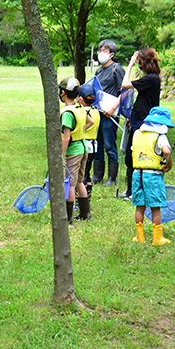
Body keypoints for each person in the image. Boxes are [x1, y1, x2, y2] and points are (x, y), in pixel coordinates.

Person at [120, 47, 162, 200]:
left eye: (139, 62)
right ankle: (130, 189)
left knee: (136, 156)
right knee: (130, 157)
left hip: (144, 123)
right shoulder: (151, 78)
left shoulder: (151, 78)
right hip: (137, 119)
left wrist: (130, 65)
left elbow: (125, 84)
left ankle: (135, 191)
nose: (138, 64)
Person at [130, 106, 174, 246]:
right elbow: (166, 151)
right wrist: (169, 163)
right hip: (153, 175)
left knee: (140, 205)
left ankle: (139, 237)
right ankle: (157, 238)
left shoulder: (137, 133)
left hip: (137, 174)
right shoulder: (160, 136)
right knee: (155, 206)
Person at [59, 77, 93, 223]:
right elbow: (90, 122)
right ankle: (85, 214)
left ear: (62, 93)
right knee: (80, 181)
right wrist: (80, 133)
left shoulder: (67, 112)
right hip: (84, 147)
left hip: (74, 151)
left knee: (71, 184)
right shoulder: (79, 107)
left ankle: (68, 218)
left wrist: (61, 155)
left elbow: (66, 137)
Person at [92, 39, 124, 187]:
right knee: (96, 144)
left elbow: (125, 92)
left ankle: (111, 178)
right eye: (99, 50)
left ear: (111, 54)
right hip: (97, 113)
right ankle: (97, 176)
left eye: (104, 51)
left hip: (110, 115)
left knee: (110, 145)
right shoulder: (99, 70)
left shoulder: (117, 69)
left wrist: (112, 109)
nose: (100, 53)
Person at [78, 84, 100, 203]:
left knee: (82, 175)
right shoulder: (95, 110)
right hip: (94, 145)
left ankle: (81, 200)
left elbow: (87, 123)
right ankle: (87, 198)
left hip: (85, 144)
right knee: (87, 172)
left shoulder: (83, 111)